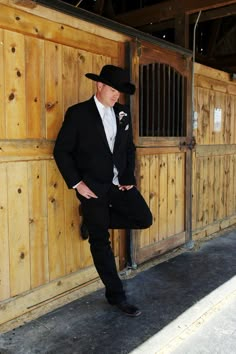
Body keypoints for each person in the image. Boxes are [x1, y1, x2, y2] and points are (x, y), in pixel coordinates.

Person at [53, 65, 152, 317]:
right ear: (99, 86)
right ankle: (116, 296)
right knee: (100, 241)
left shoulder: (123, 113)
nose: (117, 95)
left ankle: (94, 221)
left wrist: (128, 177)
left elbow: (129, 148)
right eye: (112, 89)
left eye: (120, 91)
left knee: (143, 219)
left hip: (119, 184)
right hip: (92, 189)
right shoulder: (78, 114)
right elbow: (61, 151)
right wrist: (77, 184)